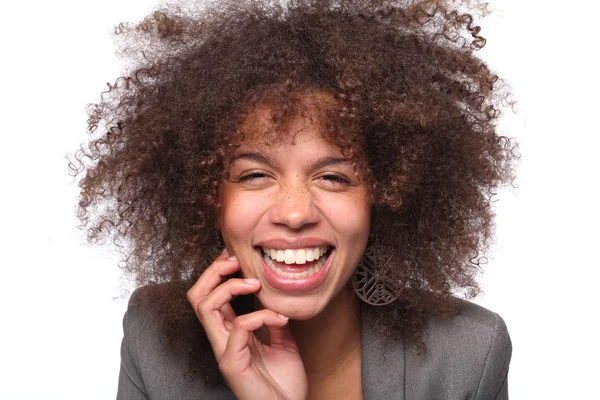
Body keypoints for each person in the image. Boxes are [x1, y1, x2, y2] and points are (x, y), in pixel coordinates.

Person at [73, 0, 517, 398]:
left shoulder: (468, 356)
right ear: (208, 197)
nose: (294, 212)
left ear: (385, 196)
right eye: (254, 175)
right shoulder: (155, 343)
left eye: (333, 177)